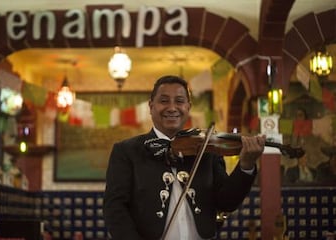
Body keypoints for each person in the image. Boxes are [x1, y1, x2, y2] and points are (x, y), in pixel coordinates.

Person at [103, 75, 266, 240]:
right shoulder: (126, 151)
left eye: (179, 101)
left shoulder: (206, 150)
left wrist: (246, 164)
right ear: (151, 106)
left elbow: (227, 202)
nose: (172, 108)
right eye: (164, 101)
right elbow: (115, 208)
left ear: (188, 107)